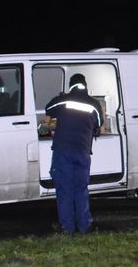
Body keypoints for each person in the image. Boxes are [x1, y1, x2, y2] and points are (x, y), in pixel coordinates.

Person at [44, 73, 103, 234]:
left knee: (65, 190)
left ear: (71, 85)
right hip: (83, 152)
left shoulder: (63, 100)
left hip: (63, 152)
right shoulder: (94, 104)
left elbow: (48, 108)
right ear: (85, 85)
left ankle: (67, 228)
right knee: (81, 189)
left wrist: (61, 97)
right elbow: (99, 124)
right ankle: (85, 226)